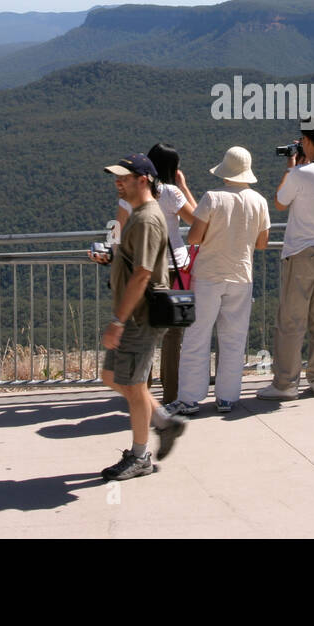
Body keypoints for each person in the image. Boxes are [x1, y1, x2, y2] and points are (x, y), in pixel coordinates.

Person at [90, 153, 189, 480]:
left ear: (143, 180)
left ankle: (140, 456)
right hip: (132, 313)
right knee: (112, 377)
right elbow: (134, 263)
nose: (117, 182)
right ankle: (163, 421)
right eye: (116, 177)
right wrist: (112, 259)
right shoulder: (138, 215)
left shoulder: (147, 219)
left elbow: (143, 273)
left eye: (124, 178)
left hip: (139, 316)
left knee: (132, 385)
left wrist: (119, 321)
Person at [166, 147, 270, 416]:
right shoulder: (259, 201)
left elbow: (194, 238)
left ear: (224, 170)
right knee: (234, 339)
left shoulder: (212, 197)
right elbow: (261, 243)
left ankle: (189, 398)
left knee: (196, 337)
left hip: (210, 275)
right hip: (241, 276)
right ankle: (227, 397)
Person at [258, 116, 314, 401]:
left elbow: (280, 202)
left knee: (291, 321)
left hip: (301, 253)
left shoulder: (300, 173)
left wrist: (291, 166)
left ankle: (285, 384)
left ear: (306, 141)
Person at [114, 142, 196, 405]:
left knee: (144, 334)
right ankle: (172, 396)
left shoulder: (128, 197)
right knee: (173, 337)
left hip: (145, 270)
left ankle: (142, 395)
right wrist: (184, 186)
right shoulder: (172, 192)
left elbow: (116, 235)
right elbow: (196, 220)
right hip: (175, 269)